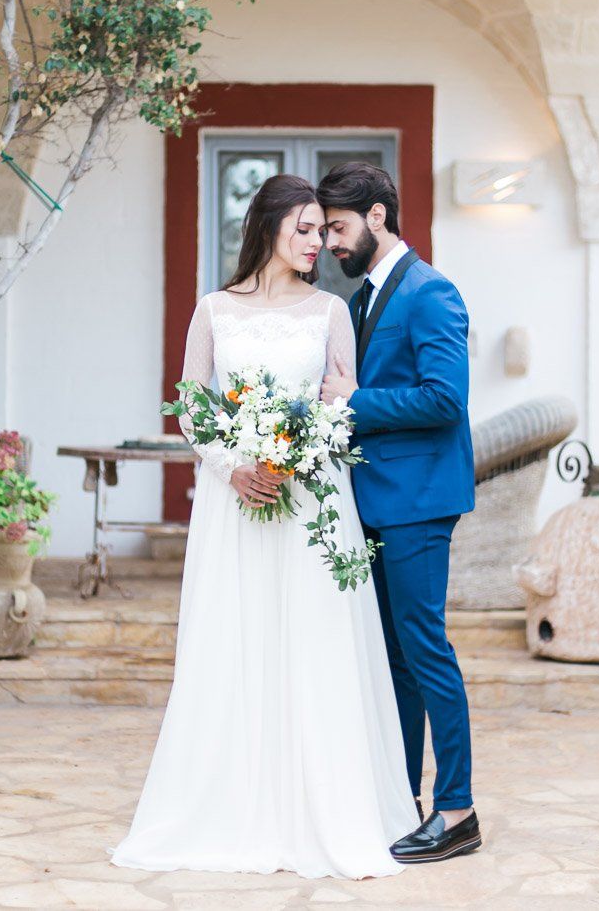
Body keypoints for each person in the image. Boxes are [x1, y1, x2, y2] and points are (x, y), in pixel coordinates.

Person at [111, 174, 418, 879]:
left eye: (322, 230)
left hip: (313, 504)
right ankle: (229, 807)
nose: (317, 242)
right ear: (270, 225)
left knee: (314, 645)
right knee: (236, 639)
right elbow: (192, 406)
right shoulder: (215, 311)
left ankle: (325, 809)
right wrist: (233, 464)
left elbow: (343, 404)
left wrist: (304, 449)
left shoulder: (332, 313)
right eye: (305, 228)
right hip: (236, 503)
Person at [318, 161, 481, 864]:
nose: (328, 241)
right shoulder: (360, 301)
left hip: (419, 505)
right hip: (377, 502)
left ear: (378, 216)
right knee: (396, 662)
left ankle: (459, 808)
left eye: (337, 226)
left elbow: (446, 397)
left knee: (426, 650)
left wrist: (350, 404)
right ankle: (403, 797)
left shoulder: (431, 291)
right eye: (324, 229)